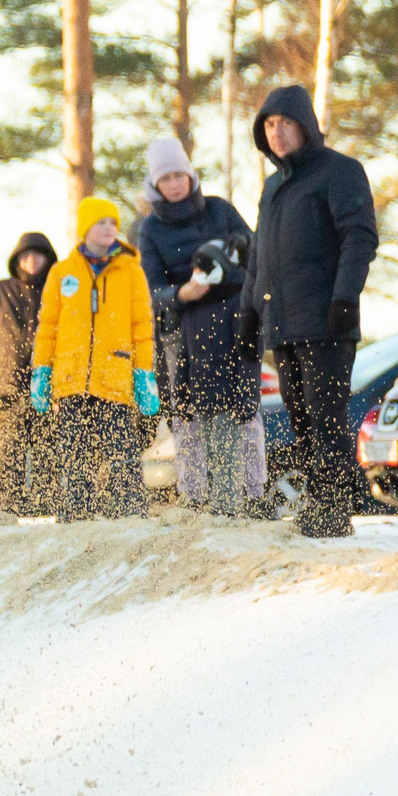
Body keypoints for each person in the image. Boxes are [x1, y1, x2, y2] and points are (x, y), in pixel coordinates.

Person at [246, 86, 378, 538]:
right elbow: (258, 257)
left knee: (327, 416)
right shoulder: (272, 187)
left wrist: (345, 297)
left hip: (326, 321)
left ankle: (334, 509)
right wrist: (250, 312)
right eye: (268, 125)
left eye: (284, 123)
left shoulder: (339, 172)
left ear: (304, 124)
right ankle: (319, 503)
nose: (277, 133)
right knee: (301, 419)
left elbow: (359, 237)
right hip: (283, 325)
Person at [136, 135, 265, 518]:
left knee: (245, 406)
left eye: (180, 175)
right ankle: (195, 497)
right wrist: (182, 294)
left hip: (235, 319)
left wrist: (231, 249)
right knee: (188, 411)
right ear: (155, 185)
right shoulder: (150, 230)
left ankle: (253, 493)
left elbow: (253, 248)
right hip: (183, 328)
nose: (174, 184)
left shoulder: (219, 209)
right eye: (166, 179)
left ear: (191, 176)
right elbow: (151, 291)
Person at [29, 197, 158, 520]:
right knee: (74, 452)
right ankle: (77, 513)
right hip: (71, 379)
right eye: (101, 222)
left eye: (113, 223)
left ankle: (129, 511)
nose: (109, 229)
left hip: (115, 376)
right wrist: (42, 370)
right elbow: (48, 326)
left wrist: (144, 374)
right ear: (86, 228)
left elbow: (142, 326)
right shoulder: (62, 272)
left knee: (121, 450)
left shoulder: (131, 271)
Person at [0, 231, 57, 512]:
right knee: (7, 461)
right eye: (25, 256)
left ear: (49, 258)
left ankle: (47, 513)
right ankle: (6, 514)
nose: (31, 261)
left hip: (49, 394)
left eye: (38, 255)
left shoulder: (60, 290)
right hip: (8, 394)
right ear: (16, 260)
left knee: (48, 463)